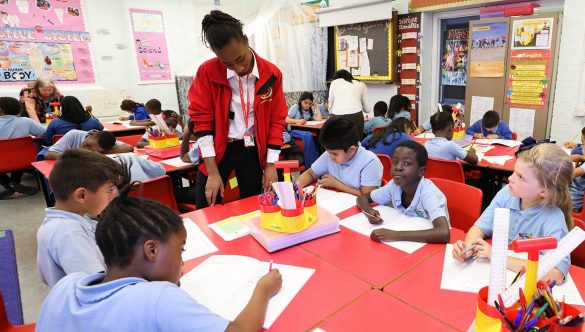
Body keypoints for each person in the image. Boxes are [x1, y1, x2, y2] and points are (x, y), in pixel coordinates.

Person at [36, 193, 283, 331]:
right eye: (180, 251)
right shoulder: (157, 298)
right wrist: (263, 289)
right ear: (151, 250)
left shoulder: (66, 285)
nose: (183, 264)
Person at [188, 10, 287, 208]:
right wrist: (213, 172)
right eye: (227, 63)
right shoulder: (207, 72)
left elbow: (277, 120)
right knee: (207, 208)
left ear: (245, 40)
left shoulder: (271, 74)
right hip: (217, 152)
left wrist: (270, 164)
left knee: (256, 207)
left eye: (240, 59)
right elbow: (202, 121)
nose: (238, 68)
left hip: (253, 151)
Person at [452, 144, 573, 284]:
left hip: (521, 286)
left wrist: (498, 257)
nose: (510, 178)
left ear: (545, 191)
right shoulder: (506, 194)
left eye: (521, 177)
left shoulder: (553, 218)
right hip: (493, 277)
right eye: (514, 172)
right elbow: (479, 228)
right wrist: (468, 248)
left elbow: (556, 274)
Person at [36, 149, 127, 287]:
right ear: (82, 196)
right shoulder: (70, 234)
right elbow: (96, 289)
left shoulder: (70, 220)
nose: (115, 195)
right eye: (109, 190)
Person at [356, 140, 450, 244]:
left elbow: (443, 233)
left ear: (421, 171)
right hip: (406, 242)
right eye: (395, 162)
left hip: (432, 246)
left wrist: (396, 235)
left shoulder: (429, 193)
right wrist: (369, 211)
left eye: (407, 163)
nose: (398, 167)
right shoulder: (394, 185)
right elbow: (362, 198)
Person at [297, 117, 383, 196]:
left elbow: (367, 196)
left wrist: (336, 184)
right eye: (328, 152)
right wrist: (295, 188)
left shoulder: (369, 161)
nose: (330, 157)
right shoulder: (331, 153)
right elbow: (310, 174)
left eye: (335, 154)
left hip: (359, 209)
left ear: (351, 150)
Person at [0, 96, 45, 199]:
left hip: (1, 162)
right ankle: (14, 183)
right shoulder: (26, 121)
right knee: (18, 153)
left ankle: (8, 185)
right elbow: (44, 132)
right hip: (23, 160)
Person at [44, 129, 134, 160]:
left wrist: (97, 154)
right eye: (88, 146)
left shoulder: (106, 140)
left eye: (94, 151)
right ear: (90, 135)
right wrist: (75, 157)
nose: (88, 151)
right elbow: (48, 154)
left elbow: (129, 147)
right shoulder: (74, 134)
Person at [328, 69, 369, 135]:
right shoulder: (361, 84)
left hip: (337, 117)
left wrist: (331, 112)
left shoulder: (334, 82)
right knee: (355, 142)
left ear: (336, 77)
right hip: (356, 117)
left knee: (338, 142)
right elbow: (368, 109)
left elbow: (330, 106)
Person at [285, 92, 320, 167]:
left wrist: (316, 106)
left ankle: (317, 161)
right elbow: (286, 119)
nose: (307, 105)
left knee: (317, 136)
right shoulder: (295, 107)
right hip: (293, 131)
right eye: (305, 102)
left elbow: (319, 119)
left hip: (303, 131)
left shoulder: (310, 110)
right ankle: (311, 165)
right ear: (301, 101)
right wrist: (298, 121)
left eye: (310, 103)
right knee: (308, 135)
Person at [569, 127, 585, 212]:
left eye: (582, 143)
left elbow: (571, 174)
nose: (580, 147)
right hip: (571, 195)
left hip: (573, 202)